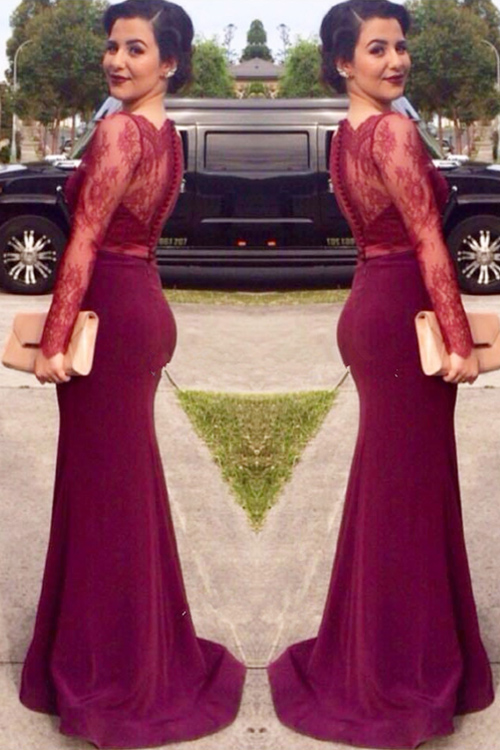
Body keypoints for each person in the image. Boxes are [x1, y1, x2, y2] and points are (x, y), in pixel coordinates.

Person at [268, 2, 494, 748]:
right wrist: (459, 342)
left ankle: (381, 653)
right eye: (377, 49)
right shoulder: (393, 132)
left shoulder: (347, 134)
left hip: (374, 303)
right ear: (343, 62)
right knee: (409, 498)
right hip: (403, 315)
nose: (396, 60)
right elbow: (428, 238)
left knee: (396, 491)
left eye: (400, 46)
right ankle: (398, 677)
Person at [19, 1, 245, 746]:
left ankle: (114, 676)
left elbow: (85, 237)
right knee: (118, 489)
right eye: (113, 46)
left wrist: (54, 341)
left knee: (104, 496)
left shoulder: (119, 132)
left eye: (136, 49)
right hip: (139, 302)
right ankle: (133, 651)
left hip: (110, 316)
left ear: (169, 62)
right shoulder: (164, 134)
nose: (117, 60)